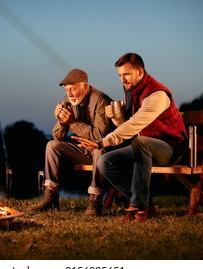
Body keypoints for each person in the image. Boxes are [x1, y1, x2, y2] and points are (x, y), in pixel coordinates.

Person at [72, 53, 188, 222]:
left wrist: (102, 142)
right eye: (120, 75)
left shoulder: (157, 95)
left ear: (140, 72)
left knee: (140, 142)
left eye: (126, 74)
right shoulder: (133, 91)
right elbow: (129, 126)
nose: (122, 80)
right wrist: (115, 118)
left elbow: (135, 124)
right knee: (104, 161)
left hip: (170, 148)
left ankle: (139, 208)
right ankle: (143, 202)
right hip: (144, 147)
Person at [27, 68, 116, 216]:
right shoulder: (68, 101)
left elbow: (101, 136)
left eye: (73, 89)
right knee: (52, 146)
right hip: (85, 151)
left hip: (107, 152)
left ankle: (95, 200)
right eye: (67, 90)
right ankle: (51, 197)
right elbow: (57, 137)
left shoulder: (100, 100)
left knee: (99, 149)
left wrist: (73, 122)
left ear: (85, 86)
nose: (69, 94)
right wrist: (61, 121)